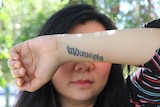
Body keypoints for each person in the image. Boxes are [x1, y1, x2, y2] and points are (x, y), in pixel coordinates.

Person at [7, 4, 160, 107]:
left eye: (97, 52)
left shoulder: (137, 100)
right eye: (68, 56)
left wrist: (58, 47)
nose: (84, 65)